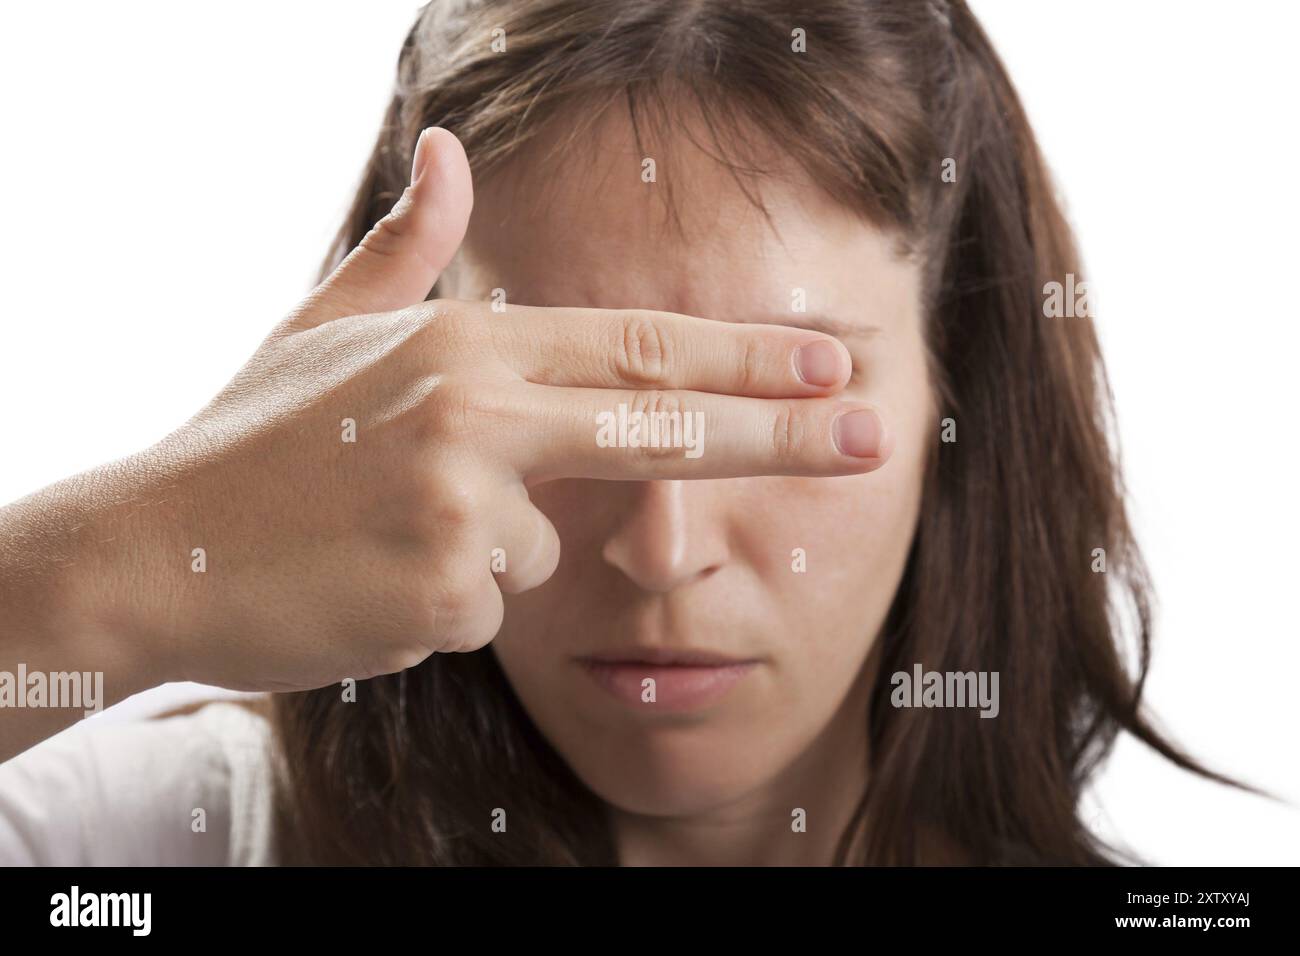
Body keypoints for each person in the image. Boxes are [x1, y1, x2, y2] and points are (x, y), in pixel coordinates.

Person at [0, 0, 1236, 865]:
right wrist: (141, 562)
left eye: (774, 400)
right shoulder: (153, 843)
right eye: (547, 387)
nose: (661, 545)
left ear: (956, 394)